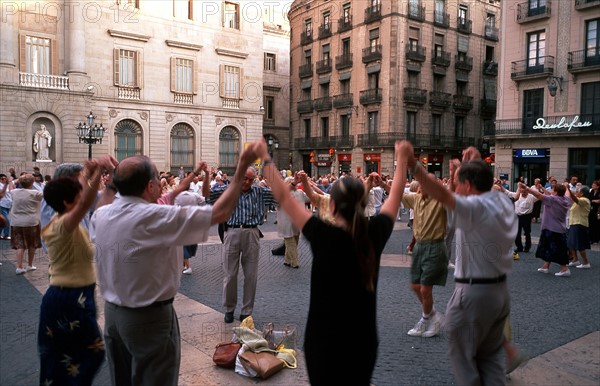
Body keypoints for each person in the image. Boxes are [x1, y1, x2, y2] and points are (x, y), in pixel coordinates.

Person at [90, 143, 261, 386]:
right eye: (157, 181)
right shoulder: (153, 216)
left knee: (123, 380)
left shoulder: (103, 215)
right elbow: (220, 213)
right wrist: (242, 165)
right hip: (149, 319)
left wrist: (110, 181)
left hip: (114, 316)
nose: (161, 185)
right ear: (150, 186)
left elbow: (102, 206)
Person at [260, 140, 409, 386]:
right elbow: (396, 193)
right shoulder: (375, 232)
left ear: (331, 205)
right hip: (363, 341)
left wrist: (264, 158)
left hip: (323, 340)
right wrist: (402, 158)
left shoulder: (322, 234)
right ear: (364, 204)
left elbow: (284, 198)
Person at [409, 146, 517, 385]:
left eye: (458, 183)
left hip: (472, 294)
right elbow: (478, 185)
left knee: (465, 363)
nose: (454, 187)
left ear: (468, 186)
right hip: (498, 294)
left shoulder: (474, 209)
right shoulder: (501, 203)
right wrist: (471, 165)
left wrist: (412, 164)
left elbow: (442, 194)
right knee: (490, 361)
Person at [38, 155, 116, 386]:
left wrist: (94, 174)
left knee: (65, 357)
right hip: (69, 298)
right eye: (76, 193)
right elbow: (84, 203)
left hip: (75, 295)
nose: (82, 195)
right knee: (89, 353)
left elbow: (86, 201)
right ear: (67, 202)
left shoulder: (60, 220)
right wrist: (93, 172)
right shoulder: (62, 225)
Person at [209, 165, 276, 323]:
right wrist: (206, 175)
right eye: (244, 178)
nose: (247, 182)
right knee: (230, 274)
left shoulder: (259, 191)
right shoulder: (228, 190)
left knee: (251, 275)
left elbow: (280, 196)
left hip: (252, 232)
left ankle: (246, 310)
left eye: (250, 180)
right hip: (232, 232)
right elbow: (208, 195)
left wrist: (287, 183)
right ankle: (229, 308)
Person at [401, 174, 448, 338]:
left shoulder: (440, 199)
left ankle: (426, 319)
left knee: (425, 288)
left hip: (435, 245)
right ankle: (433, 316)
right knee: (415, 286)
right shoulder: (416, 198)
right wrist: (385, 184)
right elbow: (398, 194)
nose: (420, 186)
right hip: (419, 246)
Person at [522, 182, 572, 276]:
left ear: (556, 192)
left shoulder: (552, 200)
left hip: (551, 228)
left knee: (557, 249)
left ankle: (564, 269)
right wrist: (566, 187)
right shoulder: (566, 199)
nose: (552, 191)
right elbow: (567, 194)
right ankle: (546, 266)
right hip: (559, 228)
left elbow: (538, 194)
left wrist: (527, 188)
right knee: (550, 248)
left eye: (553, 189)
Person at [10, 174, 43, 274]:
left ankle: (19, 267)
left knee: (20, 245)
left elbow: (11, 185)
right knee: (32, 244)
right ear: (32, 183)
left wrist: (14, 181)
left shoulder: (14, 192)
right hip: (31, 222)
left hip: (16, 222)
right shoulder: (35, 193)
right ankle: (29, 265)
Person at [277, 176, 309, 268]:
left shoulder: (300, 193)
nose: (293, 182)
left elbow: (309, 198)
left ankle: (287, 260)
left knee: (295, 240)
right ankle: (295, 262)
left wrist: (308, 185)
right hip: (286, 222)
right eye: (290, 181)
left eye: (294, 181)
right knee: (290, 242)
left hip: (297, 222)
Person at [566, 185, 591, 269]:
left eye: (578, 191)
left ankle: (585, 262)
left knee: (580, 244)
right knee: (571, 243)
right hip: (574, 223)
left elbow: (575, 199)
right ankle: (575, 260)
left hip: (580, 224)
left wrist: (568, 189)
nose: (576, 193)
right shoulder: (580, 200)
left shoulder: (585, 200)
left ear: (582, 193)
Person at [0, 173, 14, 239]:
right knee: (6, 220)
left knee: (2, 220)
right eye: (2, 178)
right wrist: (6, 185)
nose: (4, 180)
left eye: (5, 178)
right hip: (2, 204)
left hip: (7, 205)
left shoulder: (7, 185)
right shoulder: (1, 185)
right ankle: (6, 234)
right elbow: (1, 194)